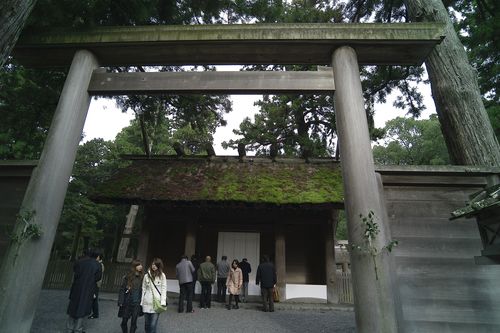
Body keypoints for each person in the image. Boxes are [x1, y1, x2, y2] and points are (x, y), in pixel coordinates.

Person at [66, 248, 102, 333]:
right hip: (88, 288)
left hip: (77, 287)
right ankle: (78, 329)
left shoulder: (79, 261)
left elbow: (75, 271)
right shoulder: (97, 264)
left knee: (73, 307)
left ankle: (69, 328)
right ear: (97, 256)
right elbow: (98, 277)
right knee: (83, 308)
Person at [141, 258, 167, 333]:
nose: (154, 266)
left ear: (159, 266)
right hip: (146, 302)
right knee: (147, 324)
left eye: (156, 265)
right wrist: (142, 301)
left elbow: (163, 289)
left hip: (157, 302)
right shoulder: (146, 275)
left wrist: (163, 301)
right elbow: (143, 288)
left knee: (153, 324)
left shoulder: (162, 275)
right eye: (153, 264)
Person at [118, 260, 144, 333]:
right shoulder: (127, 277)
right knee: (124, 321)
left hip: (137, 303)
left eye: (141, 265)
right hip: (127, 302)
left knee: (134, 322)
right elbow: (122, 289)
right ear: (134, 266)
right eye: (138, 265)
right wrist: (120, 301)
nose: (140, 266)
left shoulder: (143, 277)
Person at [89, 251, 104, 319]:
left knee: (94, 299)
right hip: (96, 283)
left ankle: (95, 313)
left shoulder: (100, 265)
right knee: (93, 298)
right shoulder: (99, 264)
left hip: (96, 284)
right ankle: (94, 313)